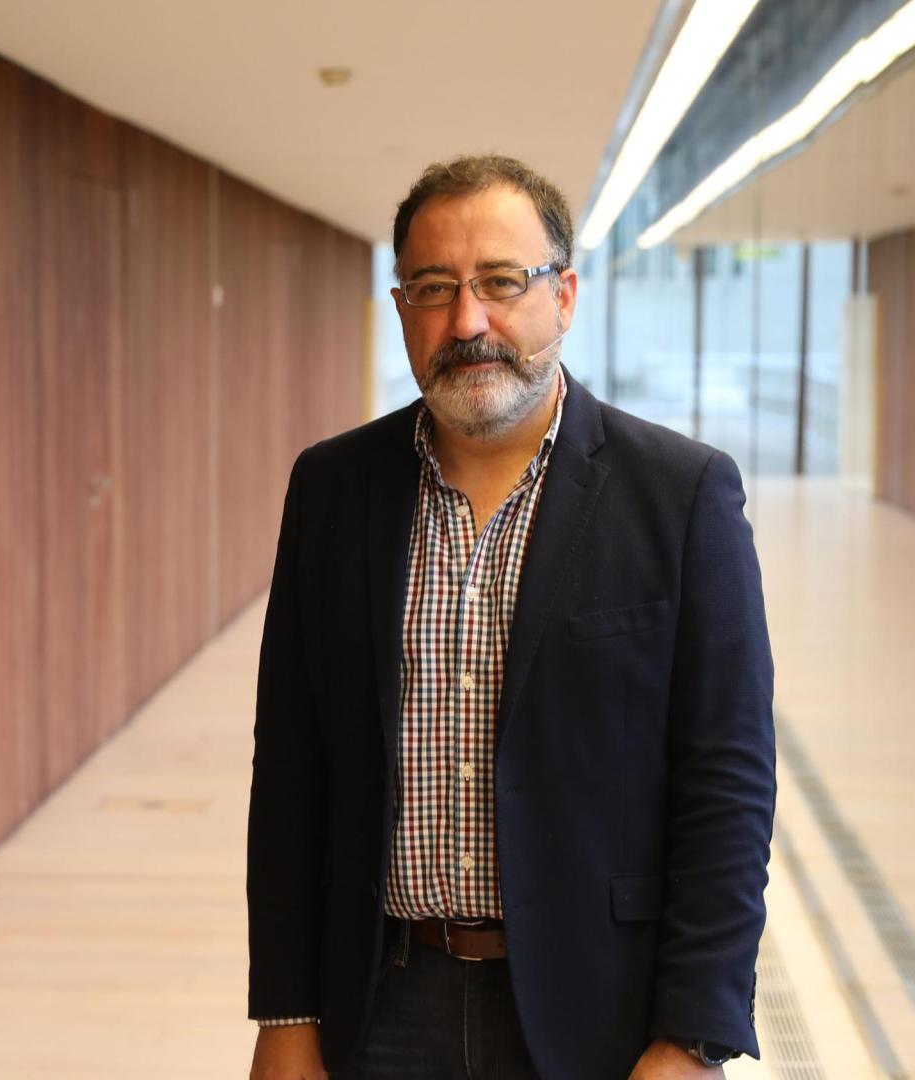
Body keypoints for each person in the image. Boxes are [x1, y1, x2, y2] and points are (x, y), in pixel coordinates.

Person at [246, 155, 775, 1079]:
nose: (469, 321)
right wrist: (286, 1010)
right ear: (402, 306)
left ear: (564, 296)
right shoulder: (331, 490)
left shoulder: (681, 496)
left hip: (599, 1013)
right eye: (434, 288)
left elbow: (727, 786)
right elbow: (292, 768)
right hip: (378, 1001)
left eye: (501, 282)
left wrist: (693, 1035)